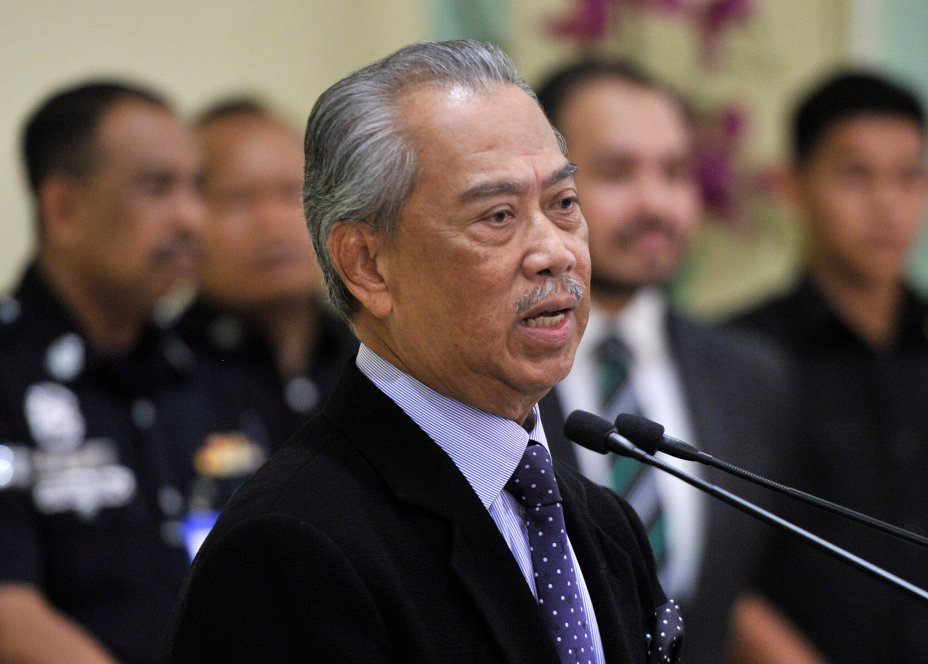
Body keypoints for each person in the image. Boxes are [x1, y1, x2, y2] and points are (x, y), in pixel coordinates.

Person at [167, 40, 681, 664]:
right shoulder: (291, 546)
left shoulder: (605, 524)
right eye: (497, 216)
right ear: (368, 264)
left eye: (563, 204)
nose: (554, 251)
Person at [532, 60, 798, 664]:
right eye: (617, 172)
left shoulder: (752, 375)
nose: (656, 203)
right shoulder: (477, 374)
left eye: (676, 173)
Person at [731, 71, 928, 664]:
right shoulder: (739, 356)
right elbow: (719, 554)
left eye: (910, 177)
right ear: (795, 185)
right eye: (856, 175)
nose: (887, 204)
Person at [0, 81, 244, 663]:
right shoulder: (7, 375)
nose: (190, 218)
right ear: (64, 208)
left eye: (196, 188)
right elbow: (7, 612)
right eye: (156, 188)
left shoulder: (208, 368)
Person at [175, 99, 357, 448]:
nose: (273, 223)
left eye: (293, 193)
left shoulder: (374, 360)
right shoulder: (163, 376)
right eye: (239, 199)